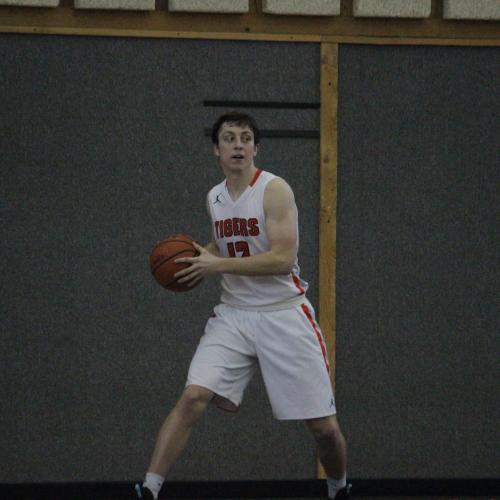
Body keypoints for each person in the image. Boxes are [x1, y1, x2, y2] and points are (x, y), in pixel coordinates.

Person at [135, 112, 350, 500]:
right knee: (193, 396)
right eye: (230, 138)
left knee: (323, 428)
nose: (239, 144)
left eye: (246, 138)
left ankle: (338, 488)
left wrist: (217, 264)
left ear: (255, 148)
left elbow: (282, 259)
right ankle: (148, 489)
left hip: (284, 312)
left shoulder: (274, 190)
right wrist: (201, 257)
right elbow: (227, 244)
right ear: (216, 150)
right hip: (234, 314)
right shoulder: (214, 197)